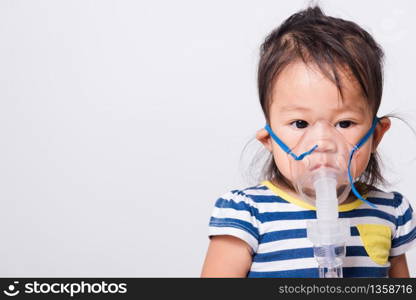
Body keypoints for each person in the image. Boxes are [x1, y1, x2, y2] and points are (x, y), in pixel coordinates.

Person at [201, 5, 416, 278]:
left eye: (344, 123)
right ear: (269, 139)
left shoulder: (390, 212)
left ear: (375, 135)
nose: (323, 142)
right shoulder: (247, 214)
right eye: (300, 124)